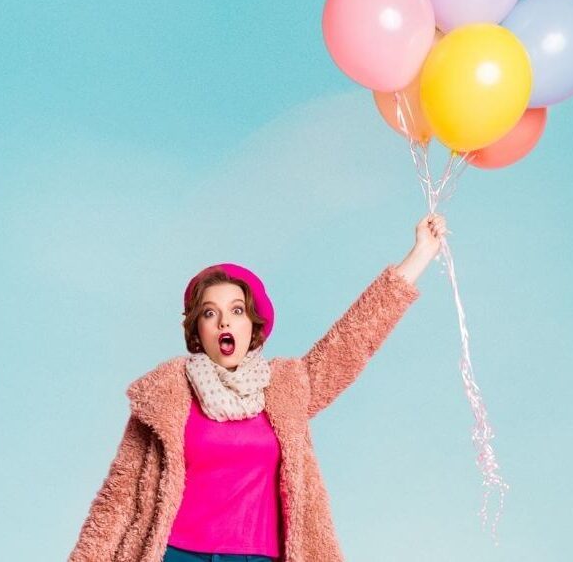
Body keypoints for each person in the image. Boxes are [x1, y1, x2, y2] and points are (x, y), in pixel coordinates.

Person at [68, 213, 449, 562]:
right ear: (197, 330)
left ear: (253, 325)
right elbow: (116, 501)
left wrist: (418, 255)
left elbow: (352, 341)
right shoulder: (165, 394)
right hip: (175, 553)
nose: (223, 323)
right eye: (209, 313)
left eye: (236, 310)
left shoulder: (287, 386)